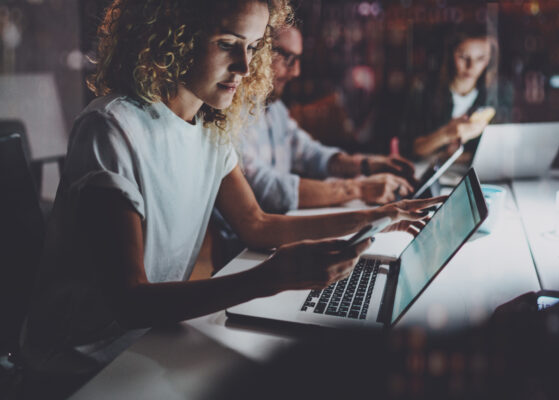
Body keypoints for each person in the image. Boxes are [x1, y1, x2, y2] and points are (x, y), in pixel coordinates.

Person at [20, 1, 442, 398]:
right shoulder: (110, 127)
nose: (244, 66)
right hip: (77, 370)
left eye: (254, 47)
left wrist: (376, 216)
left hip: (150, 340)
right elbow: (130, 299)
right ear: (173, 37)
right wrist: (267, 280)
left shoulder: (208, 130)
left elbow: (257, 224)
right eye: (227, 44)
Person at [241, 26, 418, 214]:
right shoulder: (232, 113)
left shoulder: (274, 108)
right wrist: (358, 189)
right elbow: (266, 190)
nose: (295, 72)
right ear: (257, 50)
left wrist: (366, 164)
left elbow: (310, 153)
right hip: (241, 242)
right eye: (287, 57)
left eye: (298, 60)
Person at [398, 23, 512, 159]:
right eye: (463, 57)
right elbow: (411, 149)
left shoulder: (499, 93)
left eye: (480, 59)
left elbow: (503, 149)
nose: (471, 66)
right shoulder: (424, 89)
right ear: (450, 55)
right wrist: (447, 133)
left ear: (490, 60)